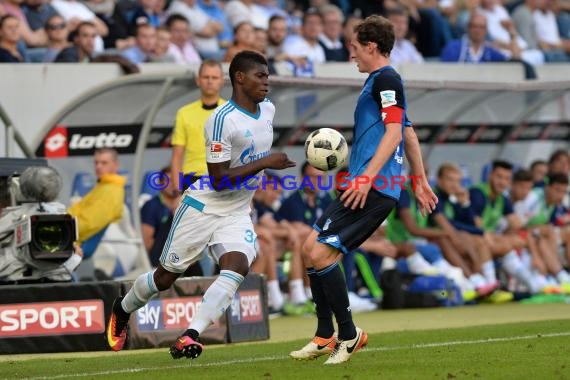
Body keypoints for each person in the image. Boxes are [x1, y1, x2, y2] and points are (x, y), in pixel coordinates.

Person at [106, 51, 296, 359]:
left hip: (236, 211)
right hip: (203, 207)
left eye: (267, 76)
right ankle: (123, 307)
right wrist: (267, 162)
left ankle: (190, 334)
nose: (266, 82)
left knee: (237, 268)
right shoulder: (220, 122)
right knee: (165, 278)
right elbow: (219, 179)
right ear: (240, 78)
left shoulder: (268, 110)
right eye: (260, 76)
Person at [289, 15, 438, 365]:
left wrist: (367, 177)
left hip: (374, 187)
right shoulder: (379, 80)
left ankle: (349, 334)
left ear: (371, 46)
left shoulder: (386, 78)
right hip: (371, 184)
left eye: (354, 46)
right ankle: (326, 334)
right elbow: (408, 132)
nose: (350, 52)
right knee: (310, 248)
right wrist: (419, 181)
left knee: (321, 253)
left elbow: (393, 134)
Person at [170, 59, 226, 192]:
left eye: (214, 77)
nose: (210, 81)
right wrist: (178, 191)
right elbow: (177, 155)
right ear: (198, 80)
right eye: (206, 77)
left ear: (222, 81)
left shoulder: (230, 112)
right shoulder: (184, 113)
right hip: (192, 179)